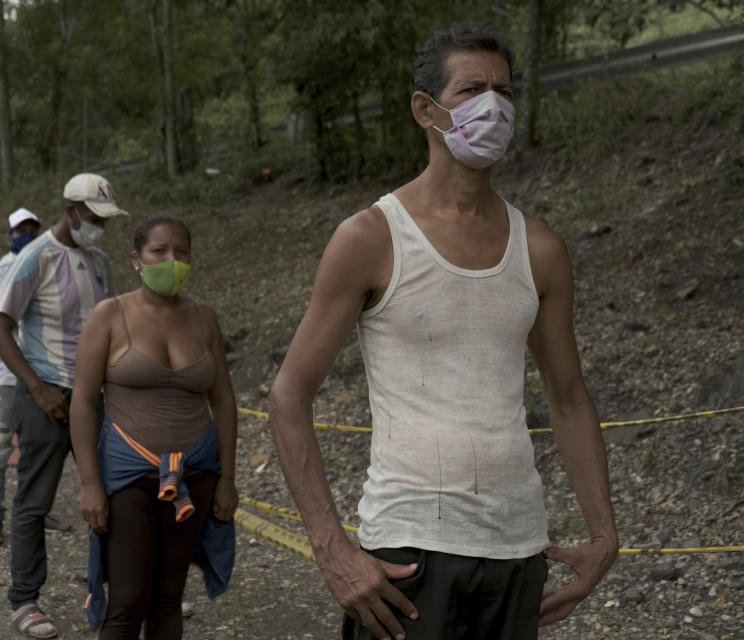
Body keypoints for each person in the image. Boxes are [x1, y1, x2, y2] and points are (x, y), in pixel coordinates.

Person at [268, 21, 618, 640]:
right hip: (409, 550)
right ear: (425, 110)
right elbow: (289, 394)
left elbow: (568, 399)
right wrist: (332, 549)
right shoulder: (371, 237)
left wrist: (603, 537)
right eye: (473, 90)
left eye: (505, 92)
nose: (494, 107)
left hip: (518, 546)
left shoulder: (539, 248)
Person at [70, 215, 238, 639]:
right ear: (136, 259)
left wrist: (228, 479)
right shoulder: (110, 315)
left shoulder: (204, 318)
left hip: (196, 473)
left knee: (169, 595)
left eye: (181, 253)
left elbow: (223, 400)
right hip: (129, 475)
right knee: (128, 600)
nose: (171, 260)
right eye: (159, 251)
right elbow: (84, 402)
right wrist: (90, 482)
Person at [0, 174, 128, 639]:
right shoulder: (36, 257)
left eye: (105, 220)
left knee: (117, 494)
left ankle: (122, 591)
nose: (99, 227)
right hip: (48, 395)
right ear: (70, 210)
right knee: (34, 500)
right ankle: (24, 600)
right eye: (93, 218)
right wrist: (36, 388)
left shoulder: (101, 261)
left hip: (98, 397)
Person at [0, 207, 42, 546]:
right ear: (9, 237)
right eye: (21, 231)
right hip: (5, 378)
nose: (27, 235)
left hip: (43, 375)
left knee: (38, 449)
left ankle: (37, 512)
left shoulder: (51, 265)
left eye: (33, 229)